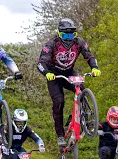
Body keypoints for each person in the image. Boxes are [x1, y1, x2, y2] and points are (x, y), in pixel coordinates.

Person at [36, 18, 101, 146]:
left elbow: (89, 56)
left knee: (81, 90)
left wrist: (94, 68)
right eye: (65, 35)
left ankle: (86, 119)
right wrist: (47, 73)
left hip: (69, 72)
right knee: (59, 102)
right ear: (59, 34)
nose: (68, 38)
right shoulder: (52, 43)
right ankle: (60, 135)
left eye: (71, 35)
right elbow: (41, 62)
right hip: (54, 75)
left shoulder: (79, 42)